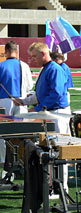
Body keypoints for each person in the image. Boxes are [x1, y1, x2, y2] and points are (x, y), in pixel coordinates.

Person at [14, 42, 71, 192]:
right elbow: (40, 95)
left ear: (44, 54)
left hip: (58, 114)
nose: (32, 59)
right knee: (50, 152)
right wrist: (24, 101)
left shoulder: (55, 69)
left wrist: (38, 108)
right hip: (51, 114)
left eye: (34, 56)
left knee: (60, 152)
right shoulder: (45, 69)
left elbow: (56, 94)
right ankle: (51, 185)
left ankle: (62, 187)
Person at [0, 40, 33, 164]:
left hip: (4, 102)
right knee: (21, 132)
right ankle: (21, 160)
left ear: (6, 52)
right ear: (16, 51)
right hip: (21, 102)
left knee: (3, 133)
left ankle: (5, 161)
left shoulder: (1, 66)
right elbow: (30, 86)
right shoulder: (24, 65)